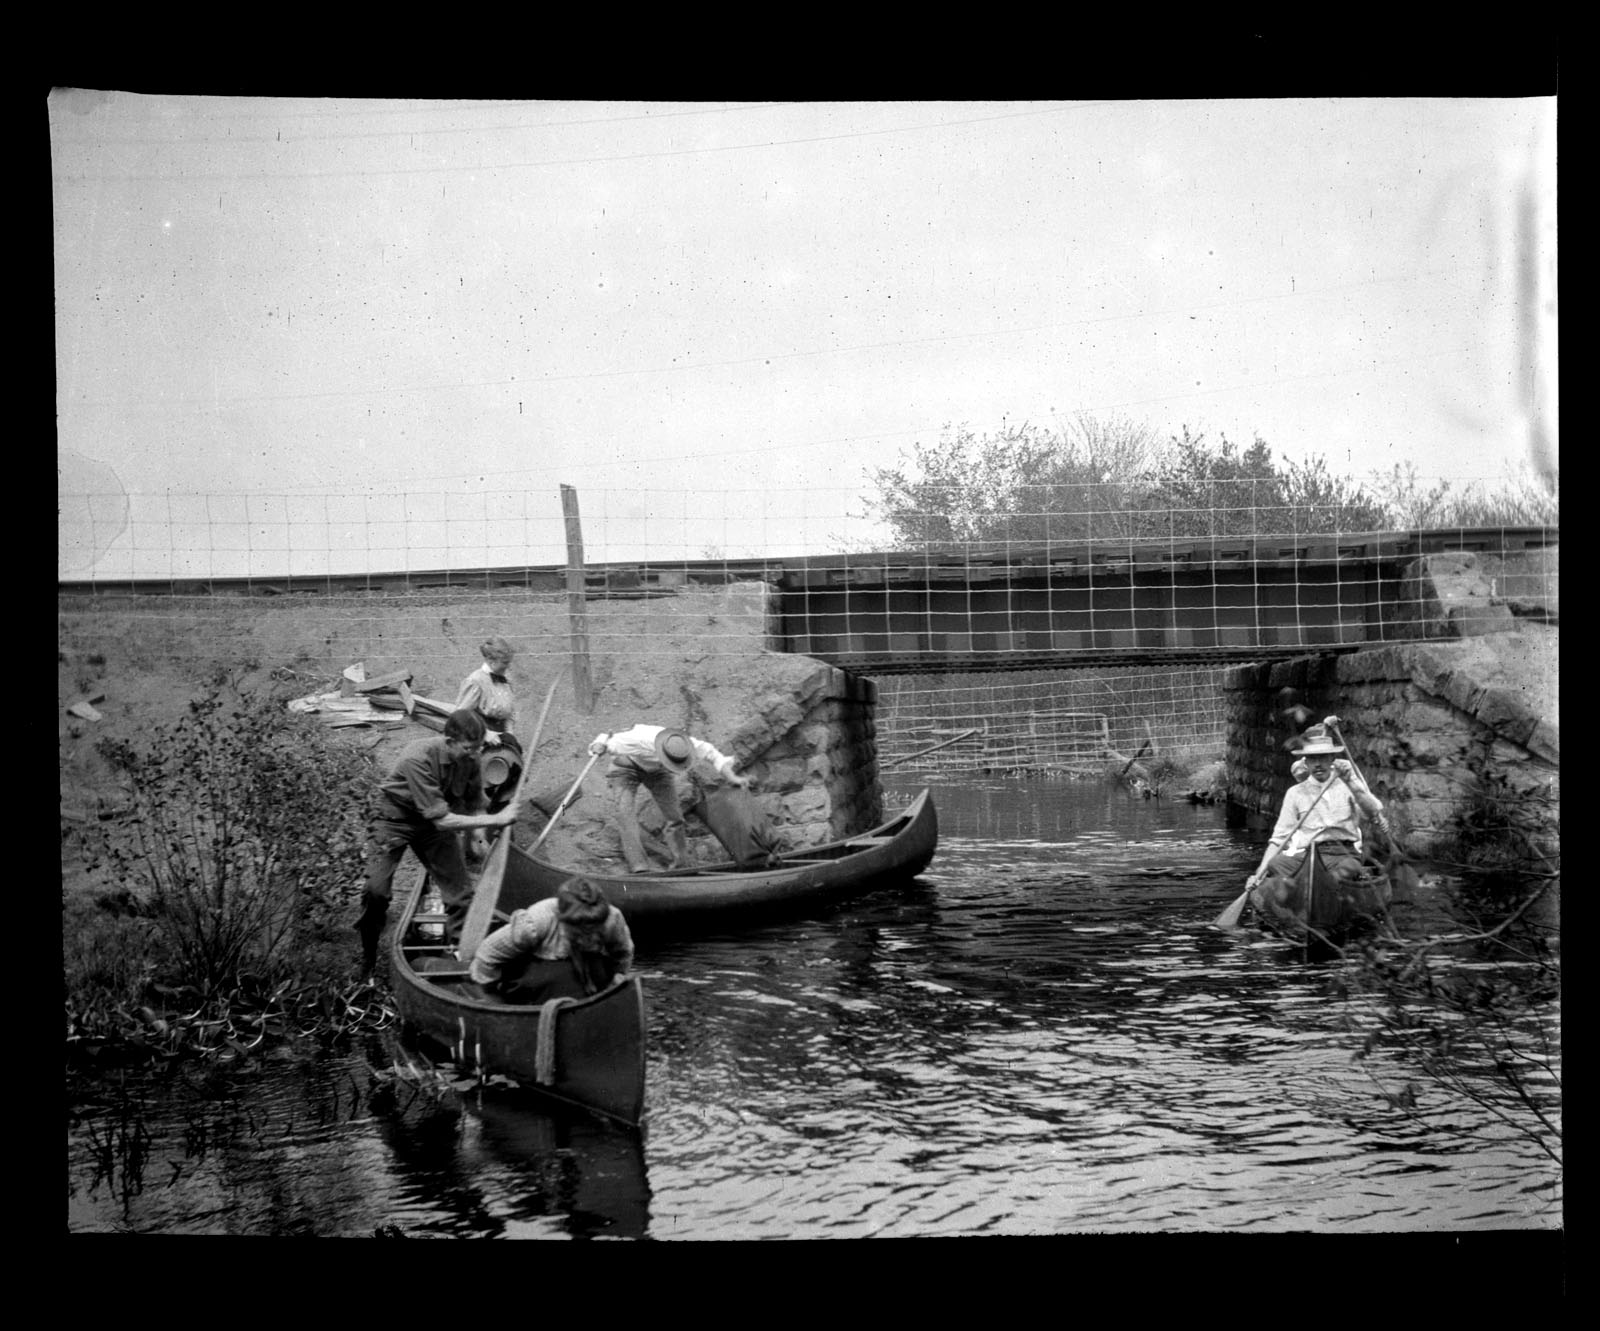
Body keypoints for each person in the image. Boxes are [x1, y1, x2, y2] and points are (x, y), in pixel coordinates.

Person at [354, 708, 522, 972]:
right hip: (393, 818)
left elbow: (474, 802)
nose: (475, 754)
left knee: (460, 894)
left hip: (432, 825)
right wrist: (497, 819)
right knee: (376, 891)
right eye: (468, 748)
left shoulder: (470, 758)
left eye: (478, 748)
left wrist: (478, 836)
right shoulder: (417, 757)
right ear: (450, 741)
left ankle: (460, 958)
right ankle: (368, 958)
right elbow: (443, 820)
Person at [1246, 723, 1392, 898]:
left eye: (1322, 758)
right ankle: (1309, 888)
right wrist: (1259, 872)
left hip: (1343, 854)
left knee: (1348, 869)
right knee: (1276, 863)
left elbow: (1372, 813)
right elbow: (1278, 840)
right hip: (1308, 856)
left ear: (1332, 759)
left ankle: (1310, 889)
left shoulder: (1348, 784)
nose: (1318, 764)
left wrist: (1352, 784)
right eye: (1312, 759)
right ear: (1306, 762)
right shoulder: (1295, 793)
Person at [588, 724, 749, 872]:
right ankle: (639, 866)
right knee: (625, 815)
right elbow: (606, 739)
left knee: (675, 816)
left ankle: (681, 863)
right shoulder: (638, 740)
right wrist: (598, 745)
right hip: (626, 767)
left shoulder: (683, 745)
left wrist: (733, 778)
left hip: (658, 772)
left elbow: (713, 754)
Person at [470, 877, 635, 1003]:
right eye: (581, 931)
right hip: (536, 968)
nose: (589, 937)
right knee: (559, 983)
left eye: (594, 930)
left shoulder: (612, 918)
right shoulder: (537, 922)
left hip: (586, 965)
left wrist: (616, 979)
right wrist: (493, 997)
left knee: (599, 982)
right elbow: (486, 955)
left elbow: (623, 953)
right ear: (562, 919)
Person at [456, 636, 522, 808]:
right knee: (482, 788)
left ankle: (502, 819)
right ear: (491, 661)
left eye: (509, 662)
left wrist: (509, 734)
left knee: (505, 786)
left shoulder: (505, 680)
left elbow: (509, 711)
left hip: (502, 742)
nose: (507, 666)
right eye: (504, 662)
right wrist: (485, 734)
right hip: (480, 740)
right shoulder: (476, 681)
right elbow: (461, 717)